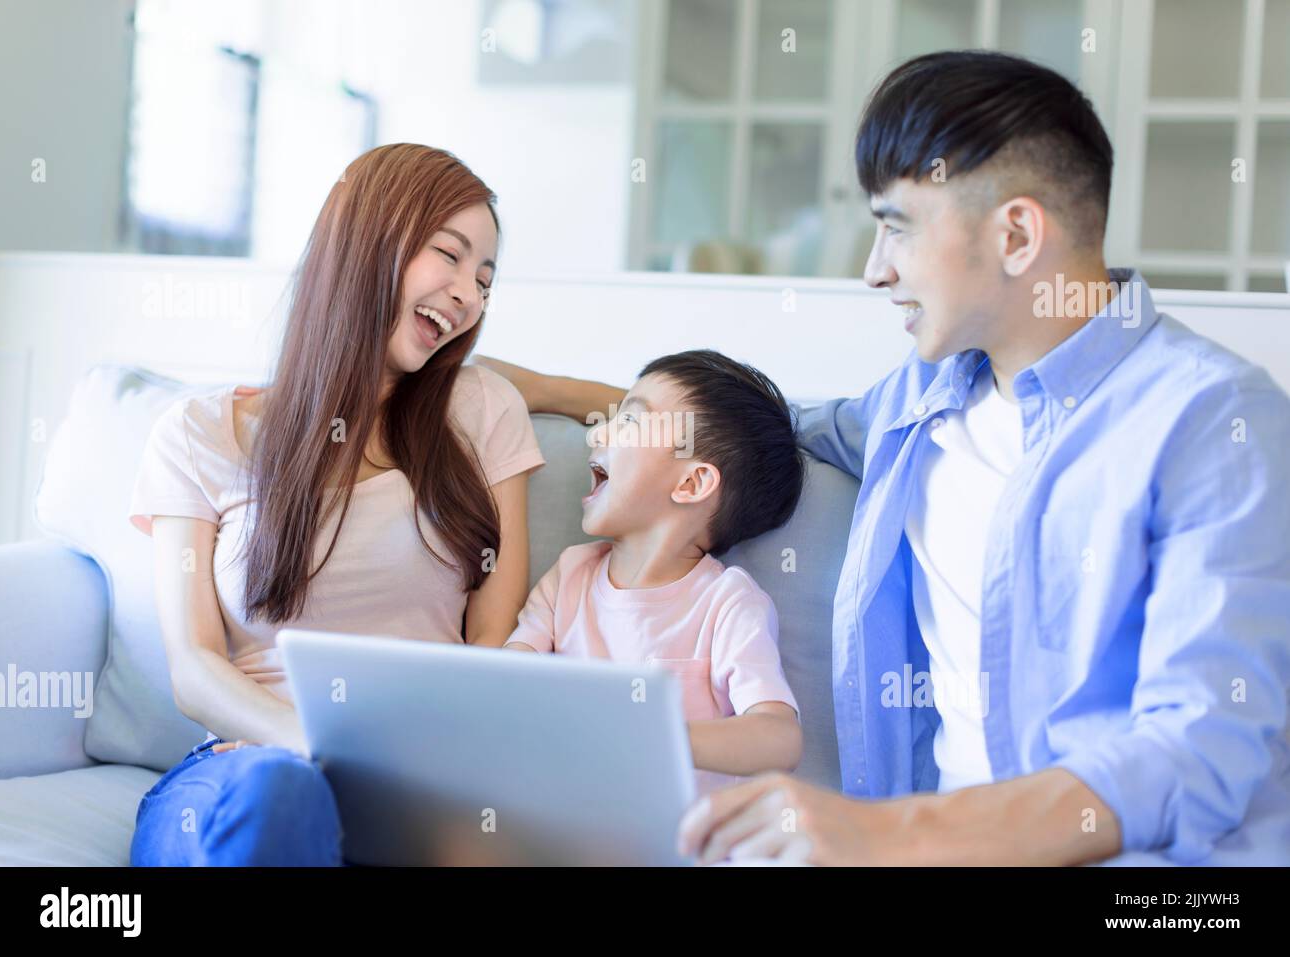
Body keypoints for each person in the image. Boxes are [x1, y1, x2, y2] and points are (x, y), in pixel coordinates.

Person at [477, 50, 1290, 866]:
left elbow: (1198, 752)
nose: (874, 270)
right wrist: (534, 386)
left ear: (1016, 233)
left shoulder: (1215, 421)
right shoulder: (916, 404)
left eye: (896, 226)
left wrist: (884, 833)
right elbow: (742, 428)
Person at [126, 144, 545, 865]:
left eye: (484, 279)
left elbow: (492, 649)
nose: (468, 295)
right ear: (367, 239)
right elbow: (194, 665)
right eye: (449, 254)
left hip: (414, 783)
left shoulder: (482, 412)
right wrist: (314, 745)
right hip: (245, 771)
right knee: (281, 798)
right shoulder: (197, 433)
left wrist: (409, 772)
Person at [504, 350, 805, 795]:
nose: (597, 433)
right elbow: (506, 679)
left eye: (628, 421)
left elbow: (779, 737)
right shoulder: (570, 575)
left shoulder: (727, 603)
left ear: (690, 484)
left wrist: (658, 737)